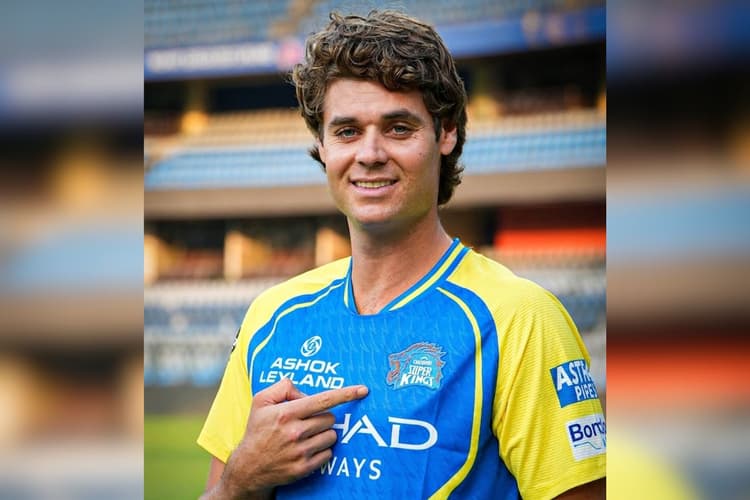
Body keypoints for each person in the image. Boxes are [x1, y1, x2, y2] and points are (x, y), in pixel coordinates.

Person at [198, 10, 605, 499]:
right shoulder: (272, 315)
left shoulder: (520, 319)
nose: (370, 154)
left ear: (445, 133)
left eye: (397, 128)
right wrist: (239, 480)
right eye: (347, 131)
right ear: (322, 146)